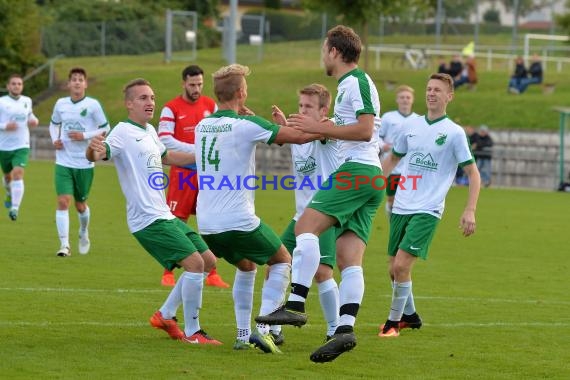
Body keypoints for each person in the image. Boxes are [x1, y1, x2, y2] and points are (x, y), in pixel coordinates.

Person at [256, 25, 384, 363]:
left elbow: (366, 129)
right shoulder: (346, 85)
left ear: (335, 52)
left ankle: (296, 303)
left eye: (323, 48)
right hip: (369, 178)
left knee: (304, 229)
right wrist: (312, 128)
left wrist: (319, 127)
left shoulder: (354, 82)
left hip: (357, 171)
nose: (321, 55)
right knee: (348, 259)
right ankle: (344, 329)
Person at [195, 64, 321, 354]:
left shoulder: (203, 125)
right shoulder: (246, 126)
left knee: (247, 265)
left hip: (207, 223)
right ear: (241, 93)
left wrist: (258, 121)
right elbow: (297, 137)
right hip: (238, 219)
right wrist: (332, 130)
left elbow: (239, 133)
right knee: (281, 260)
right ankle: (264, 330)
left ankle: (242, 335)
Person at [86, 78, 222, 345]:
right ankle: (194, 333)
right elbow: (99, 154)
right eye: (143, 98)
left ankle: (166, 315)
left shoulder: (149, 131)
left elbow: (168, 157)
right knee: (194, 264)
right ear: (128, 104)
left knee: (208, 262)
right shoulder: (123, 131)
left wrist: (202, 156)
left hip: (164, 215)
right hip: (147, 220)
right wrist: (93, 149)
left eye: (152, 97)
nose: (150, 102)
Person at [378, 73, 480, 338]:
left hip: (428, 209)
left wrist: (470, 210)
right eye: (429, 89)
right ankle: (410, 317)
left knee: (401, 266)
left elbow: (473, 174)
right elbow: (392, 161)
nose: (431, 93)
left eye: (437, 90)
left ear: (449, 96)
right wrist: (371, 185)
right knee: (393, 269)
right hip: (401, 204)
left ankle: (393, 323)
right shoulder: (409, 127)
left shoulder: (454, 133)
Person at [271, 83, 342, 344]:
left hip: (324, 214)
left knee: (323, 272)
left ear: (323, 111)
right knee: (276, 263)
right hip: (300, 216)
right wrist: (282, 127)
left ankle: (336, 330)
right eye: (300, 105)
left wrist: (289, 130)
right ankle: (273, 330)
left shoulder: (328, 130)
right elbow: (282, 139)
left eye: (308, 107)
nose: (301, 111)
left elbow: (326, 134)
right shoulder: (298, 132)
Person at [157, 65, 229, 288]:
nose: (196, 88)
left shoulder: (211, 105)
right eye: (192, 84)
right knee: (177, 222)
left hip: (206, 174)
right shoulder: (171, 108)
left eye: (199, 84)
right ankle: (167, 271)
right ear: (183, 83)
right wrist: (196, 150)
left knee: (209, 220)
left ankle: (213, 272)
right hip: (181, 174)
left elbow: (221, 132)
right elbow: (164, 139)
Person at [49, 67, 110, 256]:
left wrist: (83, 135)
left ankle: (83, 231)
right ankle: (64, 245)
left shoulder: (93, 105)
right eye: (73, 79)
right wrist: (54, 139)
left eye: (80, 79)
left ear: (85, 83)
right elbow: (54, 124)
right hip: (63, 161)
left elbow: (106, 128)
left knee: (80, 205)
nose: (76, 82)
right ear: (68, 84)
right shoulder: (61, 103)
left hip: (84, 162)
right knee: (63, 201)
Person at [0, 74, 39, 221]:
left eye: (19, 84)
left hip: (22, 144)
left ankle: (14, 208)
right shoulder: (1, 102)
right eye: (14, 84)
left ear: (22, 86)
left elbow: (30, 116)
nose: (17, 86)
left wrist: (34, 120)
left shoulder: (27, 101)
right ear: (8, 86)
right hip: (3, 147)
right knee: (7, 176)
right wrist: (5, 126)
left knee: (18, 173)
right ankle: (9, 193)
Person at [378, 85, 418, 217]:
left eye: (408, 97)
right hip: (392, 166)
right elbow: (377, 136)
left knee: (408, 200)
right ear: (397, 100)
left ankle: (404, 223)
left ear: (412, 100)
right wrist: (383, 145)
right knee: (392, 199)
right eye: (402, 97)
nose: (405, 100)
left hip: (410, 167)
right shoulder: (388, 117)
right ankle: (392, 221)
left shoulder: (418, 120)